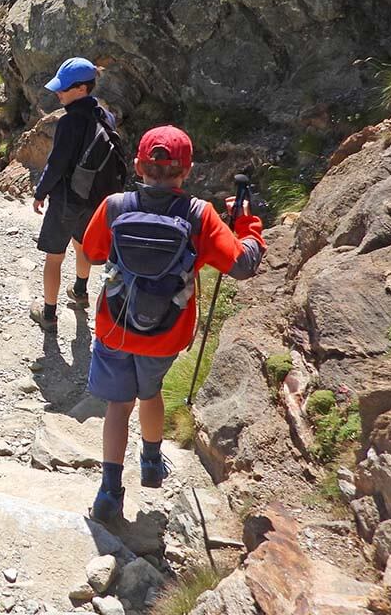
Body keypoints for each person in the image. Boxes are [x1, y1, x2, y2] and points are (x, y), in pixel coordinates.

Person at [80, 126, 265, 522]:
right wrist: (246, 226)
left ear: (138, 166)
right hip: (166, 331)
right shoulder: (200, 215)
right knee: (150, 391)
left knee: (118, 404)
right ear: (188, 170)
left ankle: (109, 492)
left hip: (115, 323)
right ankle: (150, 462)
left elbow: (94, 254)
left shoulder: (115, 205)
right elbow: (243, 264)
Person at [29, 57, 109, 334]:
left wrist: (41, 192)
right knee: (82, 244)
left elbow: (56, 165)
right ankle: (80, 291)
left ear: (81, 89)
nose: (58, 93)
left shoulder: (68, 122)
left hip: (66, 198)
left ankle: (48, 314)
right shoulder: (105, 116)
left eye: (63, 89)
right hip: (94, 198)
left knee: (54, 255)